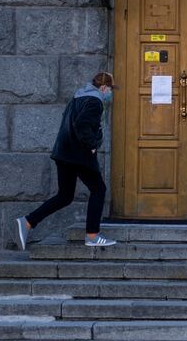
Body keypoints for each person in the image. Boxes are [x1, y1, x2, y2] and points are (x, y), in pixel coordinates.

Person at [15, 72, 118, 249]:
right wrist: (92, 144)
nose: (110, 93)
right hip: (79, 155)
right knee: (99, 189)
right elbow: (81, 125)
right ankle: (92, 235)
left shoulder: (78, 97)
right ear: (103, 88)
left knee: (64, 196)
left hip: (63, 154)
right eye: (110, 89)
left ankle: (28, 222)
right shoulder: (94, 101)